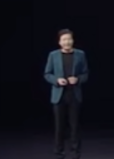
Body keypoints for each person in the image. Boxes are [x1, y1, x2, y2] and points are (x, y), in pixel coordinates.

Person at [43, 29, 89, 159]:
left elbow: (85, 73)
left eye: (69, 39)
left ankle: (75, 153)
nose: (67, 42)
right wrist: (56, 80)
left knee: (75, 126)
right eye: (64, 39)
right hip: (59, 95)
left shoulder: (80, 54)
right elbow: (47, 74)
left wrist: (78, 79)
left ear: (72, 40)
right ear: (59, 42)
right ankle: (59, 152)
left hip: (74, 95)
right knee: (59, 127)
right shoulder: (53, 55)